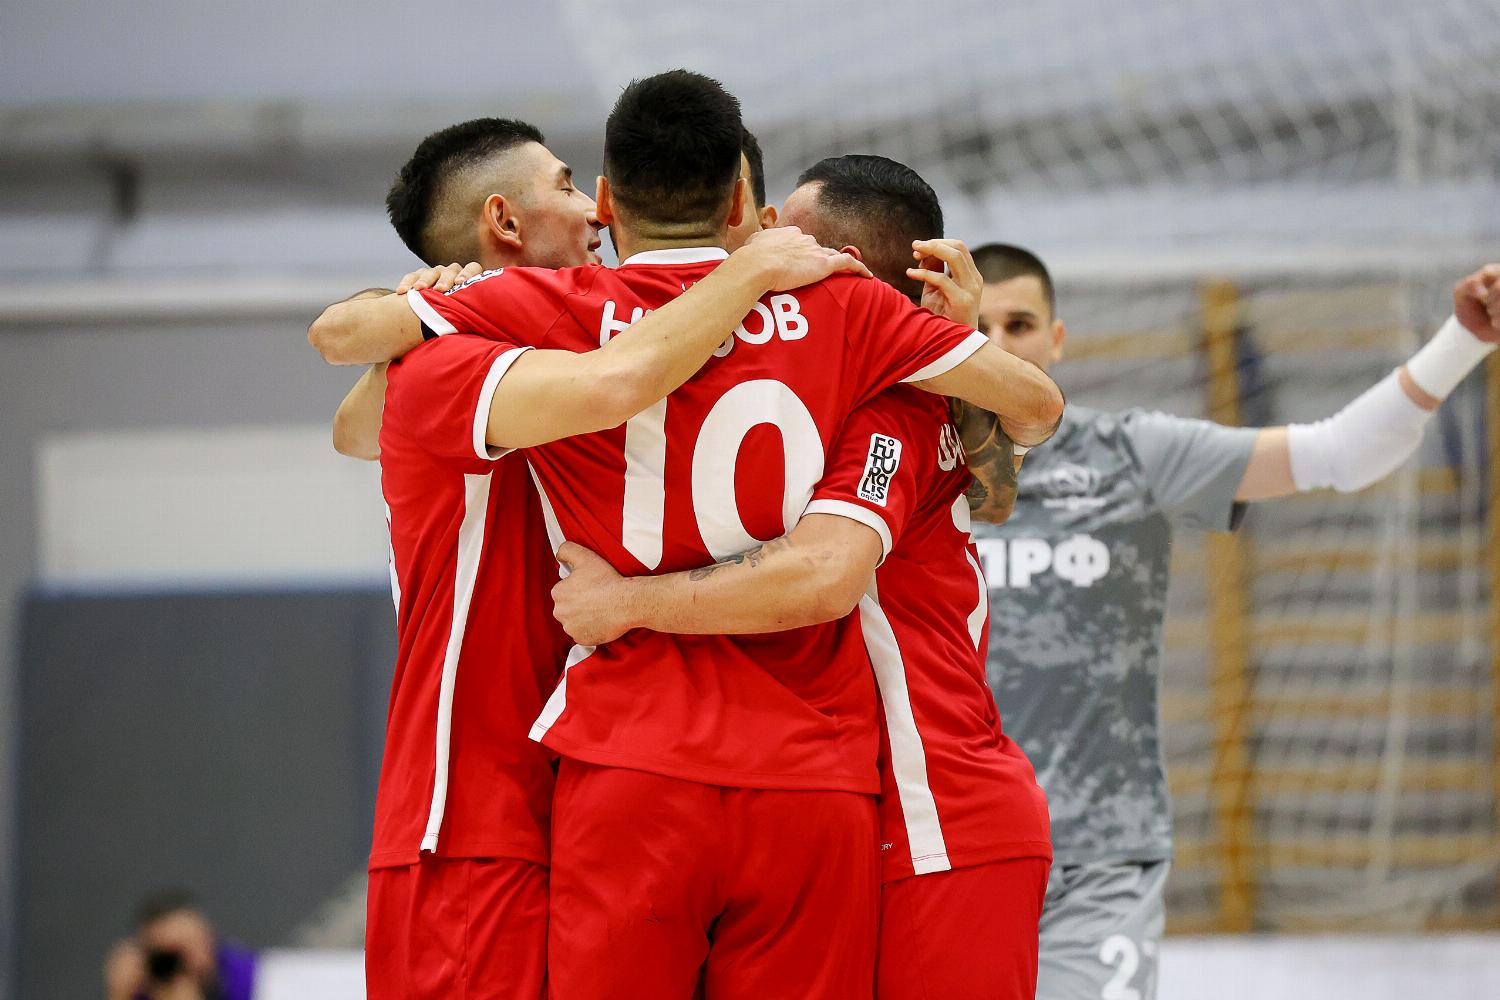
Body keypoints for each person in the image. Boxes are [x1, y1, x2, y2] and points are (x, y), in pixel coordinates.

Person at [326, 69, 1063, 998]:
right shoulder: (846, 324)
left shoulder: (565, 315)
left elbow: (357, 366)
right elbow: (1030, 416)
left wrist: (623, 602)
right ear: (743, 205)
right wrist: (775, 285)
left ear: (612, 198)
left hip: (633, 771)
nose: (585, 213)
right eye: (561, 186)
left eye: (582, 186)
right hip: (630, 799)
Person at [308, 118, 870, 1000]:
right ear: (503, 221)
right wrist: (750, 269)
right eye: (570, 188)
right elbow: (611, 382)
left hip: (588, 795)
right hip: (474, 823)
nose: (598, 213)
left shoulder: (570, 337)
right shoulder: (451, 365)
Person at [547, 154, 1053, 1000]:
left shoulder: (892, 405)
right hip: (865, 810)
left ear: (841, 267)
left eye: (782, 231)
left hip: (938, 812)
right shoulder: (855, 392)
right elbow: (995, 485)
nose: (759, 240)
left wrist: (620, 604)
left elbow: (821, 575)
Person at [966, 243, 1500, 1000]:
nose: (998, 345)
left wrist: (1462, 342)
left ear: (1056, 340)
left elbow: (1342, 452)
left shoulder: (1131, 454)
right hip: (953, 850)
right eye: (978, 327)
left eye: (1019, 324)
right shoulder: (913, 466)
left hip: (1098, 859)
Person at [103, 890, 254, 1000]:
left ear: (209, 940)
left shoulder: (257, 980)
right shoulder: (140, 990)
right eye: (166, 956)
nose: (178, 965)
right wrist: (118, 994)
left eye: (184, 949)